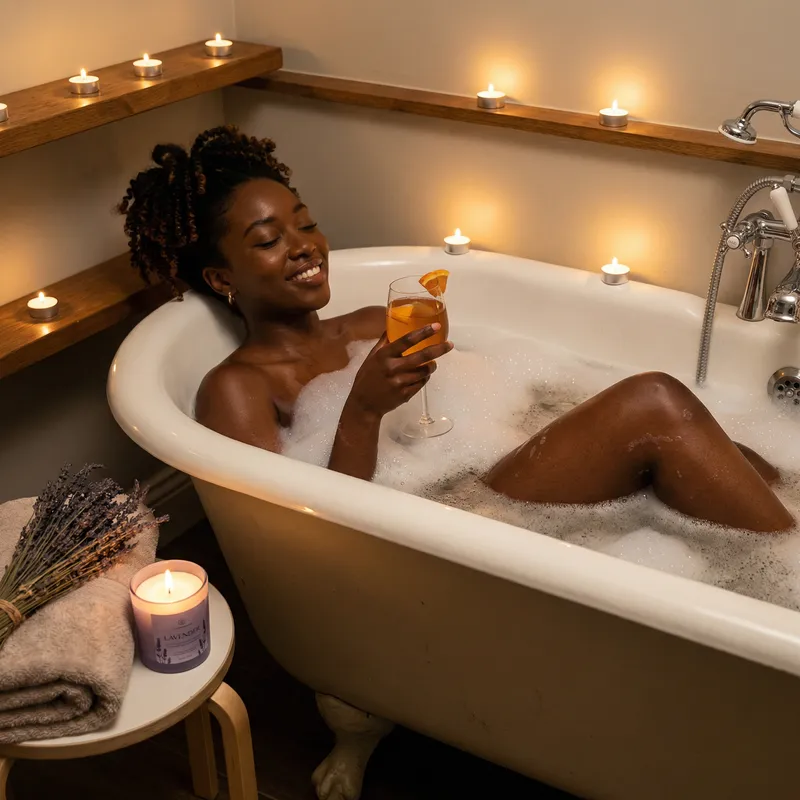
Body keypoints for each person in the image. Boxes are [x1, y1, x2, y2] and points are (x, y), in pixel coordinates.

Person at [118, 125, 794, 533]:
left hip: (478, 469)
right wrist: (361, 410)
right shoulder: (235, 388)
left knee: (732, 447)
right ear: (220, 278)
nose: (305, 245)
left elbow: (481, 403)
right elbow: (299, 529)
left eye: (304, 221)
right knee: (655, 401)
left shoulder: (368, 325)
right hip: (455, 514)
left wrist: (539, 406)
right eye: (269, 239)